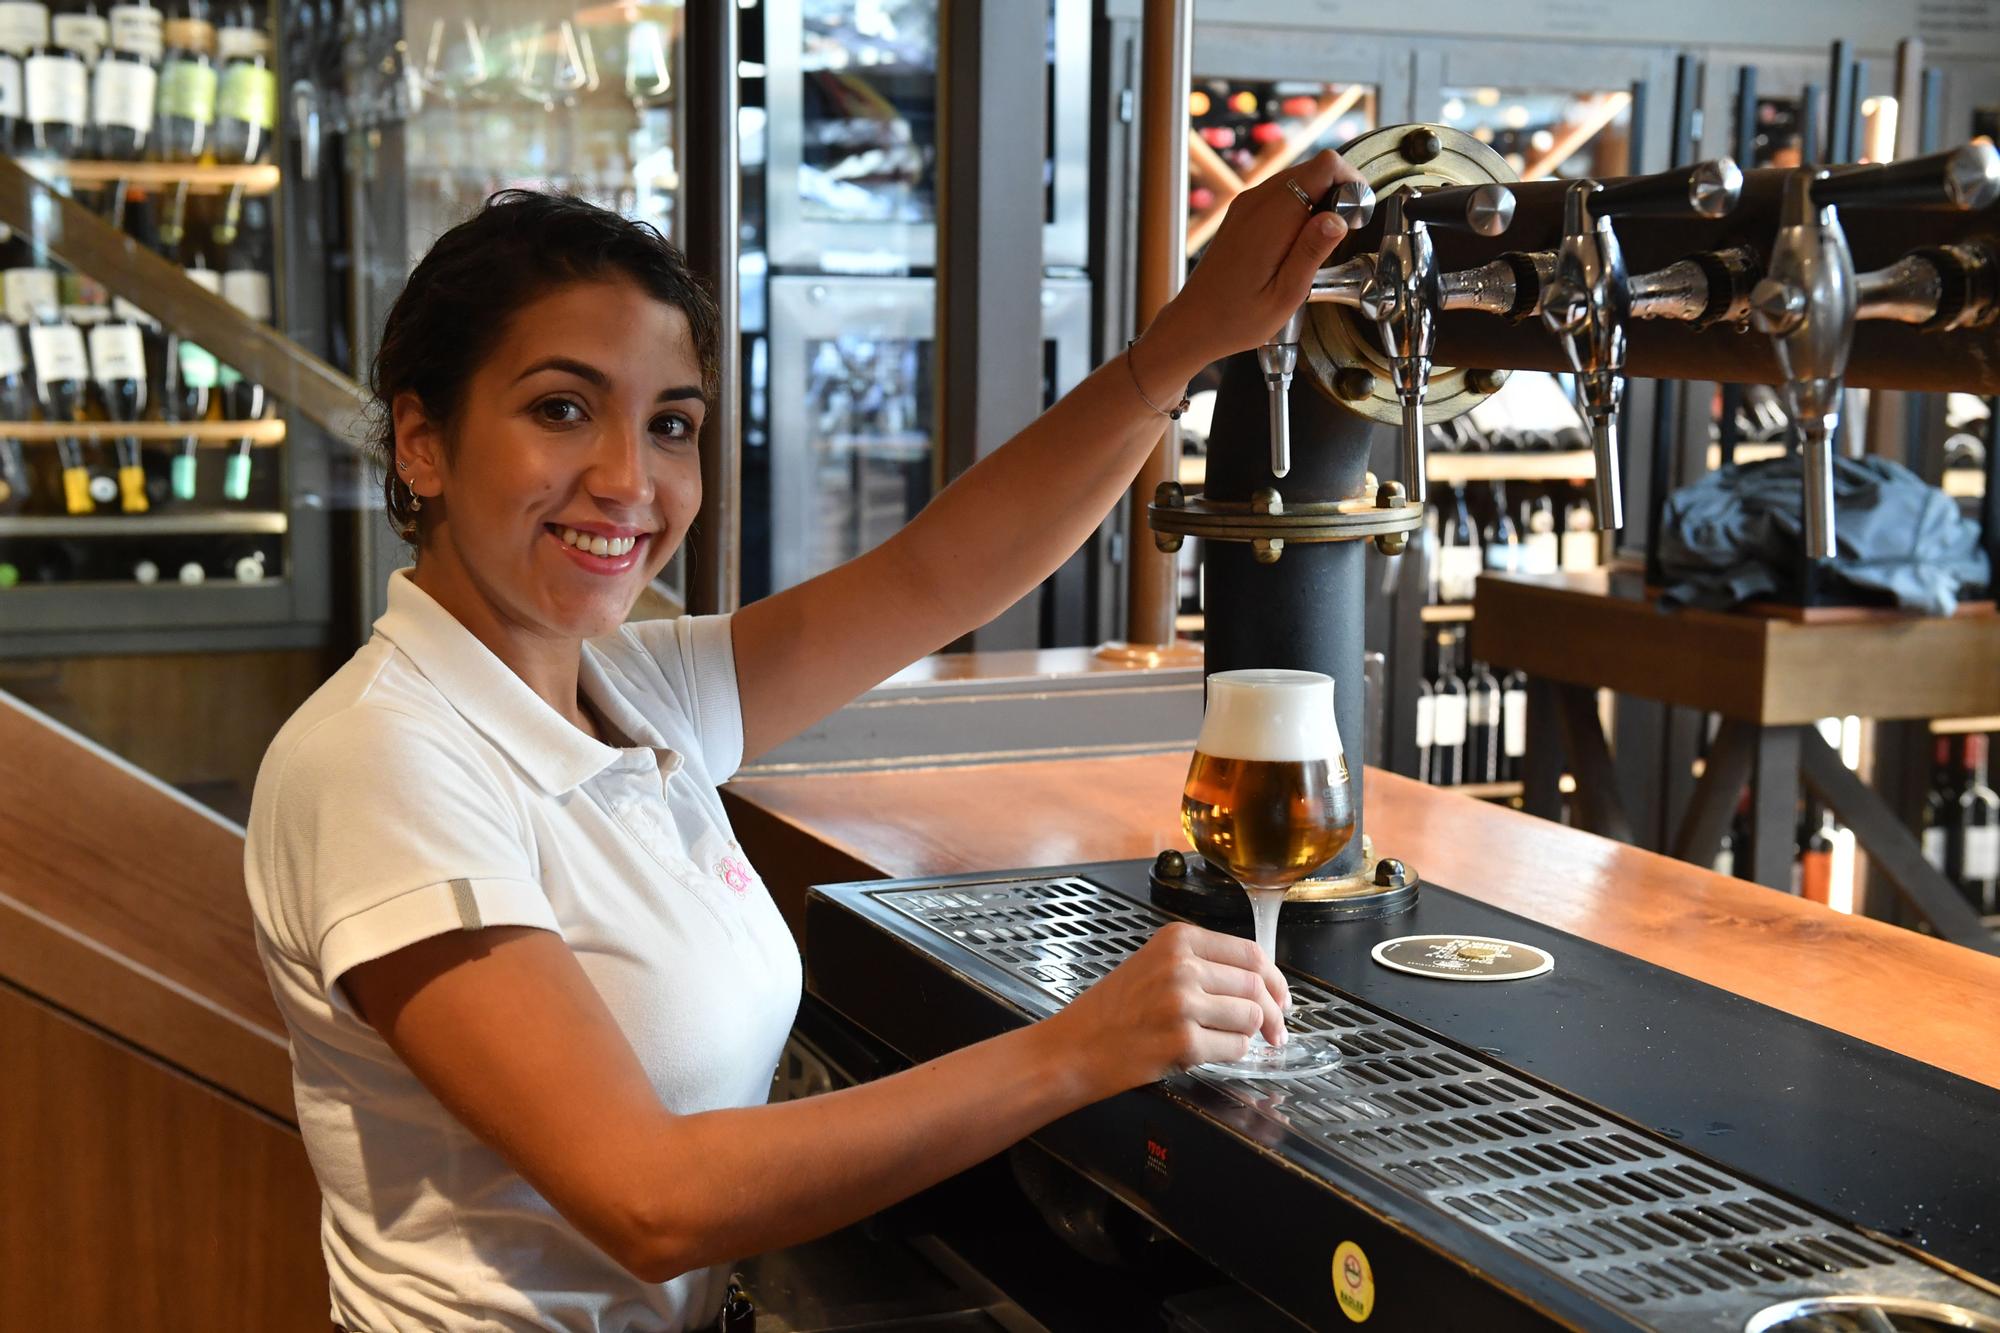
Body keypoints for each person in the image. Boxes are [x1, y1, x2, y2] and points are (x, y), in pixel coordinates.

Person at [244, 149, 1361, 1332]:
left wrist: (1183, 344)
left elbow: (940, 573)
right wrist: (1079, 1047)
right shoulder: (383, 762)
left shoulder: (630, 691)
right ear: (422, 443)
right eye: (561, 408)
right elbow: (648, 1197)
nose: (631, 480)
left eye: (669, 424)